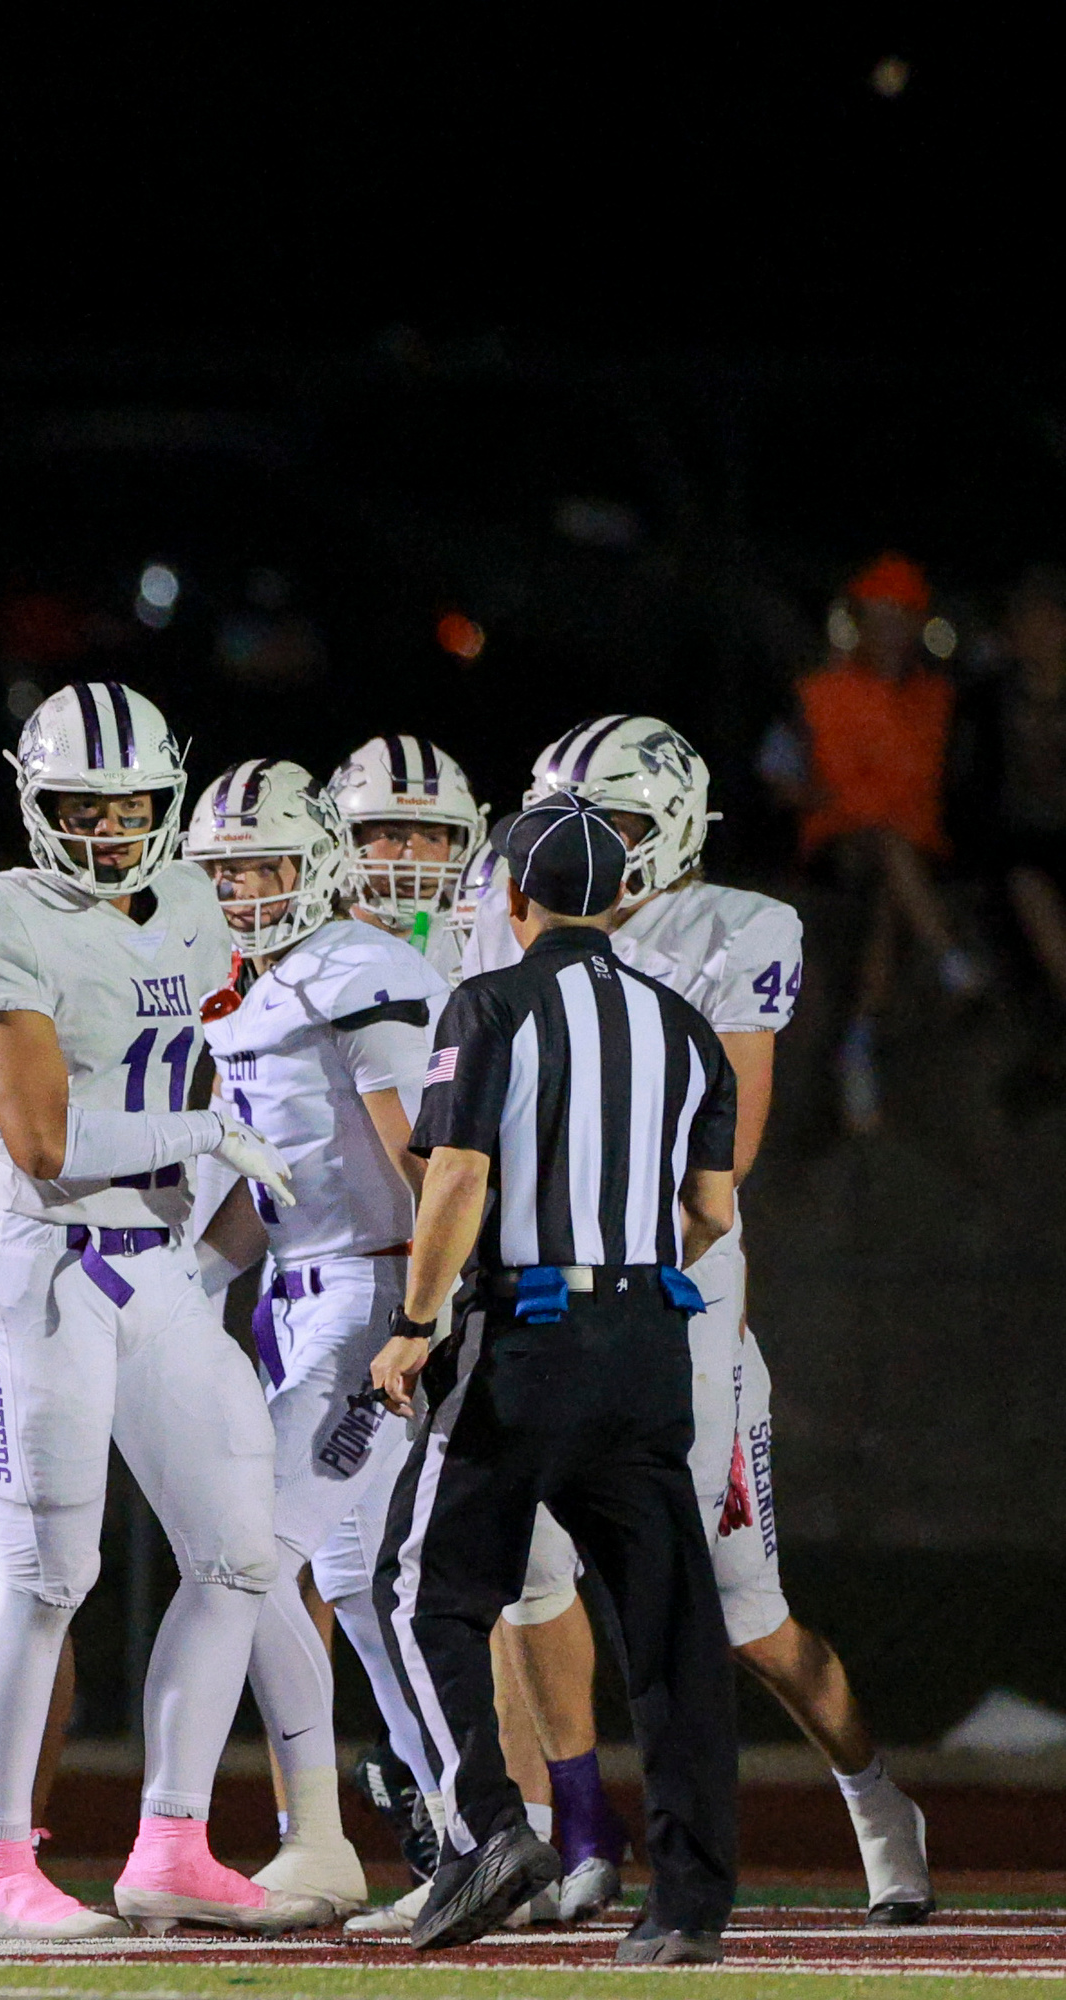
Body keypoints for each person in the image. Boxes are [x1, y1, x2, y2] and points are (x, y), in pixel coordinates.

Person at [457, 715, 932, 1926]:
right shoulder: (504, 905)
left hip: (673, 1291)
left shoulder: (738, 929)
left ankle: (878, 1800)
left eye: (608, 828)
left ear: (668, 830)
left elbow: (726, 1167)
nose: (580, 850)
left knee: (735, 1608)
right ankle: (575, 1835)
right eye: (562, 827)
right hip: (546, 1277)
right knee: (524, 1566)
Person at [0, 683, 306, 1940]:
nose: (109, 826)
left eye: (133, 802)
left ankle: (174, 1842)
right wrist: (202, 1129)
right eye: (83, 805)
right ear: (36, 805)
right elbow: (39, 1140)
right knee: (43, 1573)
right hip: (46, 1264)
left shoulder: (194, 901)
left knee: (244, 1549)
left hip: (161, 1264)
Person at [370, 796, 744, 1962]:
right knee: (673, 1630)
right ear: (626, 895)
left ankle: (489, 1829)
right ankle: (688, 1903)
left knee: (418, 1587)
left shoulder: (491, 1000)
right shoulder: (684, 1023)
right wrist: (622, 1286)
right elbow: (712, 1212)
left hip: (528, 1333)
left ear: (513, 898)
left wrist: (416, 1322)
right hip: (647, 1338)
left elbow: (459, 1173)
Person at [182, 760, 447, 1925]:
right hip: (297, 1290)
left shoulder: (362, 968)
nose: (241, 888)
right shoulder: (261, 979)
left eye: (262, 864)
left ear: (318, 861)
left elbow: (426, 1162)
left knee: (255, 1547)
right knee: (339, 1571)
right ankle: (447, 1826)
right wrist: (183, 1285)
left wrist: (424, 1316)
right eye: (224, 869)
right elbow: (276, 1183)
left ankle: (370, 1829)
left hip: (369, 1298)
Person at [766, 553, 982, 1131]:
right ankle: (949, 960)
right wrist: (810, 796)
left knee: (890, 892)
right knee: (885, 853)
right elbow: (778, 768)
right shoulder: (819, 689)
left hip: (911, 848)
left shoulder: (938, 697)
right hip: (842, 842)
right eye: (880, 617)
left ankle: (859, 1044)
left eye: (902, 618)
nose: (891, 630)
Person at [326, 734, 492, 981]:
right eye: (392, 836)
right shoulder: (317, 942)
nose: (412, 856)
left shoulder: (477, 940)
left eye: (433, 838)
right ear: (349, 839)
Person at [988, 565, 1066, 1090]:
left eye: (1049, 622)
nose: (1037, 635)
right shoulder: (992, 698)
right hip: (1020, 846)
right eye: (1028, 623)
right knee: (1025, 885)